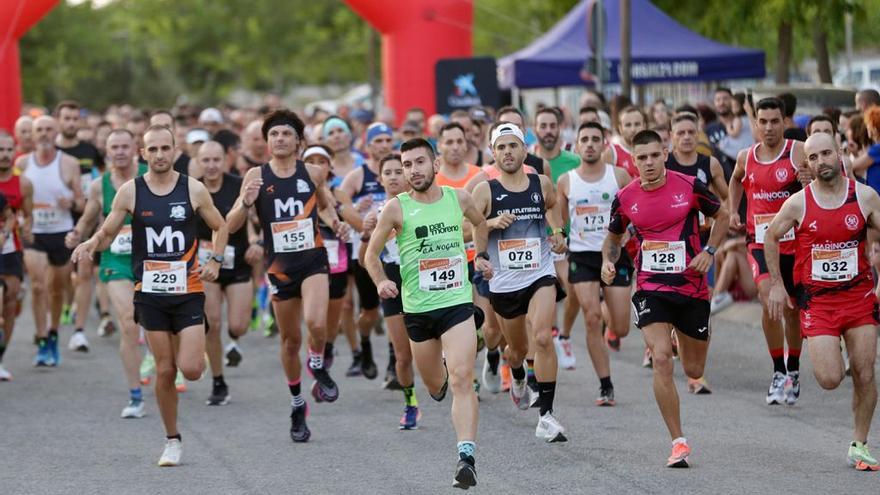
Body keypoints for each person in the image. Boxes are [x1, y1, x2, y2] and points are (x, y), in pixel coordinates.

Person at [71, 124, 228, 466]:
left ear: (175, 152)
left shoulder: (193, 189)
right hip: (151, 292)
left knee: (190, 370)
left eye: (164, 148)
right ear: (144, 154)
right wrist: (91, 243)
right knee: (164, 370)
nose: (158, 155)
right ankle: (172, 439)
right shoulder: (130, 191)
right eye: (152, 149)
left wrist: (215, 259)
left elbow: (221, 225)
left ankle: (194, 344)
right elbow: (108, 229)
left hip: (187, 290)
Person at [363, 137, 491, 489]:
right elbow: (370, 256)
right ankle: (447, 367)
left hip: (456, 303)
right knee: (437, 386)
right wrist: (379, 283)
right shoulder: (396, 208)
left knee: (463, 378)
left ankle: (466, 457)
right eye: (407, 165)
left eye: (420, 162)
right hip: (418, 311)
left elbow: (481, 224)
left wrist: (480, 256)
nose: (413, 170)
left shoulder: (458, 198)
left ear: (435, 165)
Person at [602, 129, 729, 467]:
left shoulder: (688, 185)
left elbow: (724, 215)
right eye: (641, 158)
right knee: (661, 359)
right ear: (634, 160)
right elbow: (613, 238)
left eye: (654, 156)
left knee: (693, 367)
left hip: (691, 287)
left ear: (664, 154)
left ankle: (680, 334)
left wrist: (711, 251)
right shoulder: (626, 197)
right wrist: (607, 261)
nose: (648, 163)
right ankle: (678, 442)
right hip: (651, 286)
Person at [226, 110, 347, 443]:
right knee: (290, 340)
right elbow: (232, 223)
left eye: (286, 134)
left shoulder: (313, 173)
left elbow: (323, 206)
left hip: (312, 259)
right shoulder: (256, 175)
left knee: (318, 324)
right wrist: (244, 203)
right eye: (274, 134)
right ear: (267, 142)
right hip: (279, 268)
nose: (280, 139)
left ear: (298, 141)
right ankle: (297, 403)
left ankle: (318, 363)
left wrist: (334, 221)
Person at [765, 132, 880, 471]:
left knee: (865, 372)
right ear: (808, 164)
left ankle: (860, 443)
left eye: (826, 154)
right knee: (830, 378)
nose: (821, 162)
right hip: (818, 303)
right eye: (813, 158)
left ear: (840, 153)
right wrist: (775, 284)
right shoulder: (799, 203)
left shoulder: (865, 197)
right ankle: (834, 346)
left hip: (858, 298)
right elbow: (771, 236)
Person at [472, 122, 569, 441]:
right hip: (504, 283)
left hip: (539, 272)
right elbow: (462, 228)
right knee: (516, 349)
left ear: (524, 150)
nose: (507, 152)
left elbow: (553, 207)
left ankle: (547, 416)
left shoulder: (540, 183)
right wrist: (490, 222)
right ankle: (516, 375)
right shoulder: (485, 190)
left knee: (542, 337)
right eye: (501, 147)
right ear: (493, 153)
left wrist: (556, 233)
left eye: (513, 145)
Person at [728, 97, 807, 405]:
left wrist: (809, 179)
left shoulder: (797, 152)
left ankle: (794, 370)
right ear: (756, 124)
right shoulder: (746, 157)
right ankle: (778, 371)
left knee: (791, 309)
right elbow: (736, 180)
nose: (770, 127)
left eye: (776, 121)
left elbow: (823, 180)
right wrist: (733, 209)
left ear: (784, 122)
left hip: (794, 244)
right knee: (768, 301)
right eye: (764, 122)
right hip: (760, 242)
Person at [65, 129, 147, 417]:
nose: (121, 151)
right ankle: (136, 395)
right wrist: (77, 233)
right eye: (115, 147)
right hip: (117, 259)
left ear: (136, 148)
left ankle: (165, 371)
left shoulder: (150, 174)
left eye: (126, 146)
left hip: (156, 260)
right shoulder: (100, 185)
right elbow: (89, 216)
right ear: (107, 151)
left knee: (162, 326)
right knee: (128, 321)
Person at [557, 122, 633, 405]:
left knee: (622, 327)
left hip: (613, 253)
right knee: (591, 318)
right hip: (583, 257)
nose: (589, 144)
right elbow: (563, 221)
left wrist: (627, 235)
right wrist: (560, 237)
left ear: (604, 145)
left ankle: (608, 316)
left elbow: (634, 213)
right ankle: (605, 385)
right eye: (584, 139)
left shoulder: (620, 177)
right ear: (576, 146)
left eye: (595, 139)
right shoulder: (566, 181)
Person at [15, 116, 84, 366]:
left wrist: (72, 203)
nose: (44, 134)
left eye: (48, 129)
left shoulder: (69, 163)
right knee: (37, 286)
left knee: (57, 290)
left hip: (61, 233)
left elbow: (82, 201)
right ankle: (42, 340)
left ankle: (53, 333)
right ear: (32, 135)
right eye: (39, 130)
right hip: (34, 233)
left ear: (56, 133)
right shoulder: (22, 163)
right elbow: (14, 196)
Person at [360, 153, 421, 429]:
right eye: (389, 172)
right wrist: (366, 232)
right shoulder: (376, 214)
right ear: (380, 178)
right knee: (402, 353)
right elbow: (366, 257)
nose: (395, 176)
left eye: (400, 171)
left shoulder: (422, 205)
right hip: (393, 280)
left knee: (434, 343)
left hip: (423, 278)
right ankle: (410, 403)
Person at [196, 141, 255, 406]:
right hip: (205, 265)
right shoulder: (191, 189)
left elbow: (253, 221)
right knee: (212, 323)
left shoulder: (238, 185)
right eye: (205, 160)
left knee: (237, 326)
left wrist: (259, 243)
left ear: (226, 160)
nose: (211, 166)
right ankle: (218, 380)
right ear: (198, 162)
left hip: (237, 261)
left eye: (216, 160)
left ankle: (234, 340)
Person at [338, 122, 394, 380]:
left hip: (398, 251)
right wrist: (360, 215)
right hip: (367, 251)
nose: (383, 145)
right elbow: (340, 204)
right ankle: (366, 343)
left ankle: (395, 361)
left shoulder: (400, 169)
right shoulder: (358, 175)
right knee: (369, 311)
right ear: (368, 145)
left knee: (398, 310)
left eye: (387, 140)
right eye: (378, 141)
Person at [0, 132, 32, 381]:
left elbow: (28, 216)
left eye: (9, 149)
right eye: (0, 149)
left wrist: (24, 226)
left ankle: (1, 358)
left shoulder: (24, 184)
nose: (5, 154)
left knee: (10, 304)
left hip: (11, 249)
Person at [602, 106, 644, 178]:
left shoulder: (652, 149)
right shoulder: (611, 152)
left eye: (637, 124)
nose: (633, 129)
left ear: (644, 125)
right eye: (628, 125)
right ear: (620, 128)